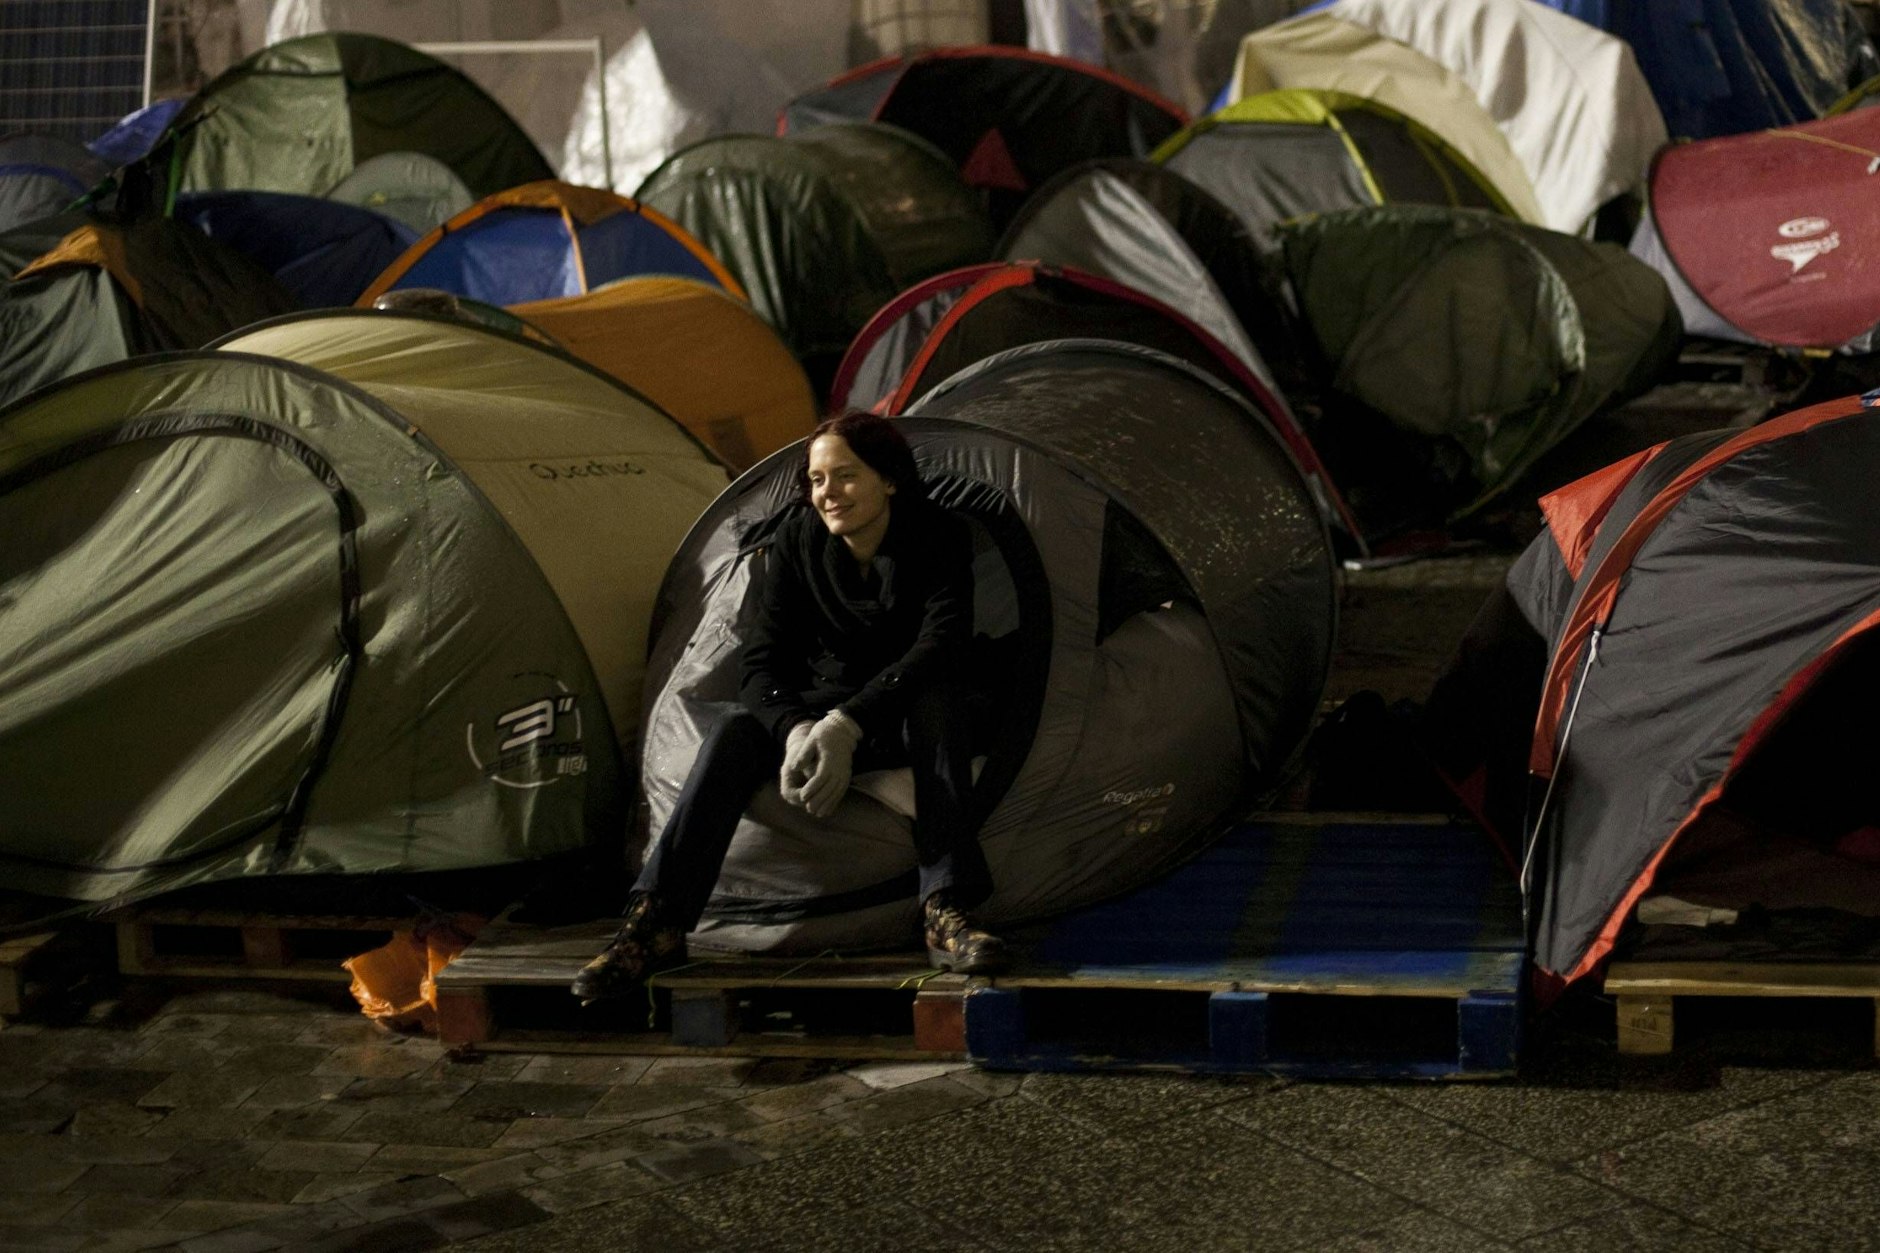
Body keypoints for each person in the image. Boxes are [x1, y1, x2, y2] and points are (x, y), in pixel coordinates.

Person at [572, 411, 1006, 1002]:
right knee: (731, 732)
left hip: (903, 703)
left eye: (846, 476)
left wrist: (847, 725)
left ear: (890, 480)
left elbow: (941, 645)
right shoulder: (798, 541)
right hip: (821, 708)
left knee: (940, 704)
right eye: (818, 479)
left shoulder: (938, 535)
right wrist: (799, 728)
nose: (829, 493)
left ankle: (945, 909)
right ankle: (656, 922)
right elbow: (761, 660)